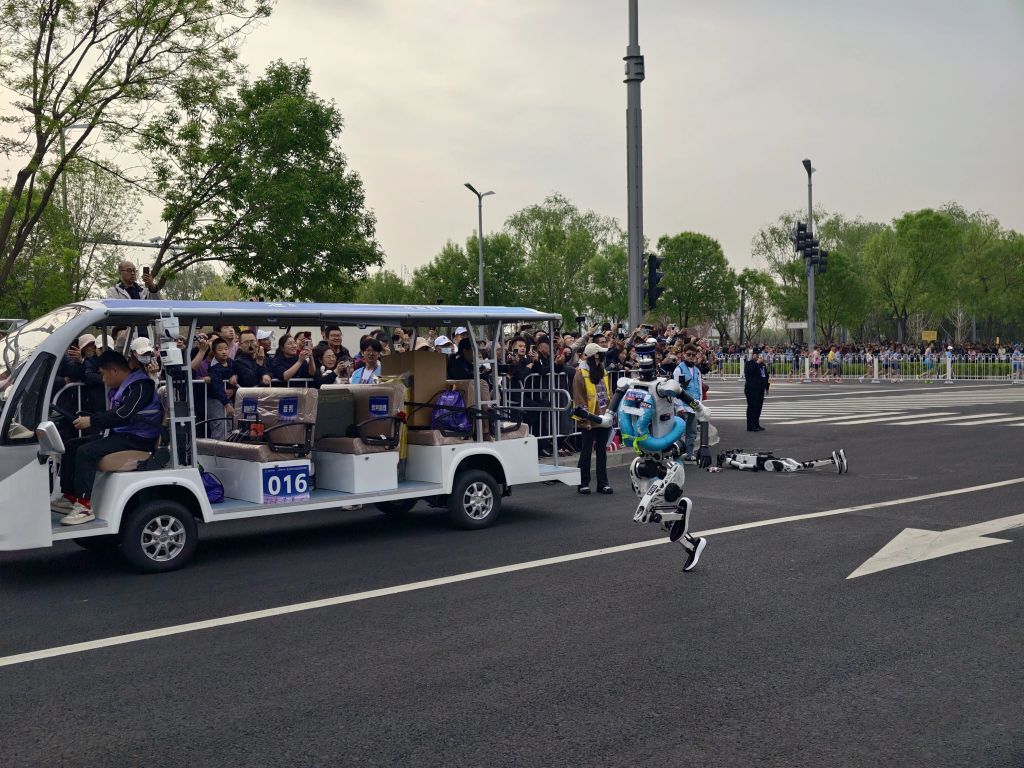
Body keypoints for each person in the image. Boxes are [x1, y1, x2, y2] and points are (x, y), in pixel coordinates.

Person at [54, 351, 163, 525]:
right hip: (123, 434)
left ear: (114, 370)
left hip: (138, 439)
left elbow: (124, 414)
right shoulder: (124, 386)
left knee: (86, 452)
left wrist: (92, 421)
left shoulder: (142, 385)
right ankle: (69, 497)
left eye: (103, 374)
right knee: (71, 445)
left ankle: (84, 507)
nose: (103, 380)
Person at [572, 343, 613, 495]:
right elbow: (579, 398)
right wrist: (585, 421)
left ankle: (603, 483)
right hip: (589, 418)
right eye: (600, 354)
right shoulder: (580, 373)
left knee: (602, 451)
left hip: (603, 416)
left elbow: (609, 394)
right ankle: (583, 483)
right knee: (586, 451)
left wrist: (611, 414)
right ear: (595, 356)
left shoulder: (603, 372)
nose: (602, 357)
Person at [672, 343, 704, 461]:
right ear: (683, 355)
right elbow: (676, 389)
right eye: (688, 354)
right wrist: (679, 407)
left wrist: (699, 405)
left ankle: (689, 454)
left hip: (694, 406)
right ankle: (675, 454)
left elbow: (699, 388)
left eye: (693, 355)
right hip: (683, 405)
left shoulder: (697, 370)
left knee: (692, 432)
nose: (691, 357)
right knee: (678, 431)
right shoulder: (679, 369)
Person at [206, 338, 235, 439]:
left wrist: (235, 375)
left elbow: (238, 372)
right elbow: (217, 387)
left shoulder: (232, 362)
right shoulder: (214, 368)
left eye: (226, 349)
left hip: (228, 399)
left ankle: (228, 451)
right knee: (219, 427)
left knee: (229, 426)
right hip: (215, 400)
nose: (224, 352)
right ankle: (216, 452)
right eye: (220, 350)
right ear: (214, 352)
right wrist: (226, 404)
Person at [744, 347, 770, 432]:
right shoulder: (749, 363)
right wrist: (756, 364)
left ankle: (756, 423)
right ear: (753, 355)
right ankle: (750, 426)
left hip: (760, 388)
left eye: (759, 354)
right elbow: (749, 372)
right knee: (752, 406)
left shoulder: (762, 364)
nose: (759, 356)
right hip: (751, 388)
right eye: (757, 354)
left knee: (758, 407)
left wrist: (767, 387)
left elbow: (765, 375)